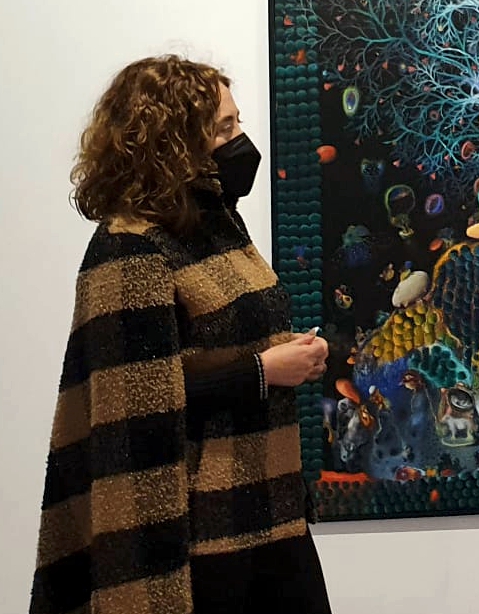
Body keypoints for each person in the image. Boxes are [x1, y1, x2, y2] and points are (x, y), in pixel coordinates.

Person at [31, 55, 333, 614]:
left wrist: (283, 352)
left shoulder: (218, 223)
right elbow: (130, 404)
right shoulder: (130, 247)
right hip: (200, 539)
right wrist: (264, 372)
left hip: (274, 509)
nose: (241, 139)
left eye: (237, 121)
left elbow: (211, 345)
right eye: (224, 127)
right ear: (172, 142)